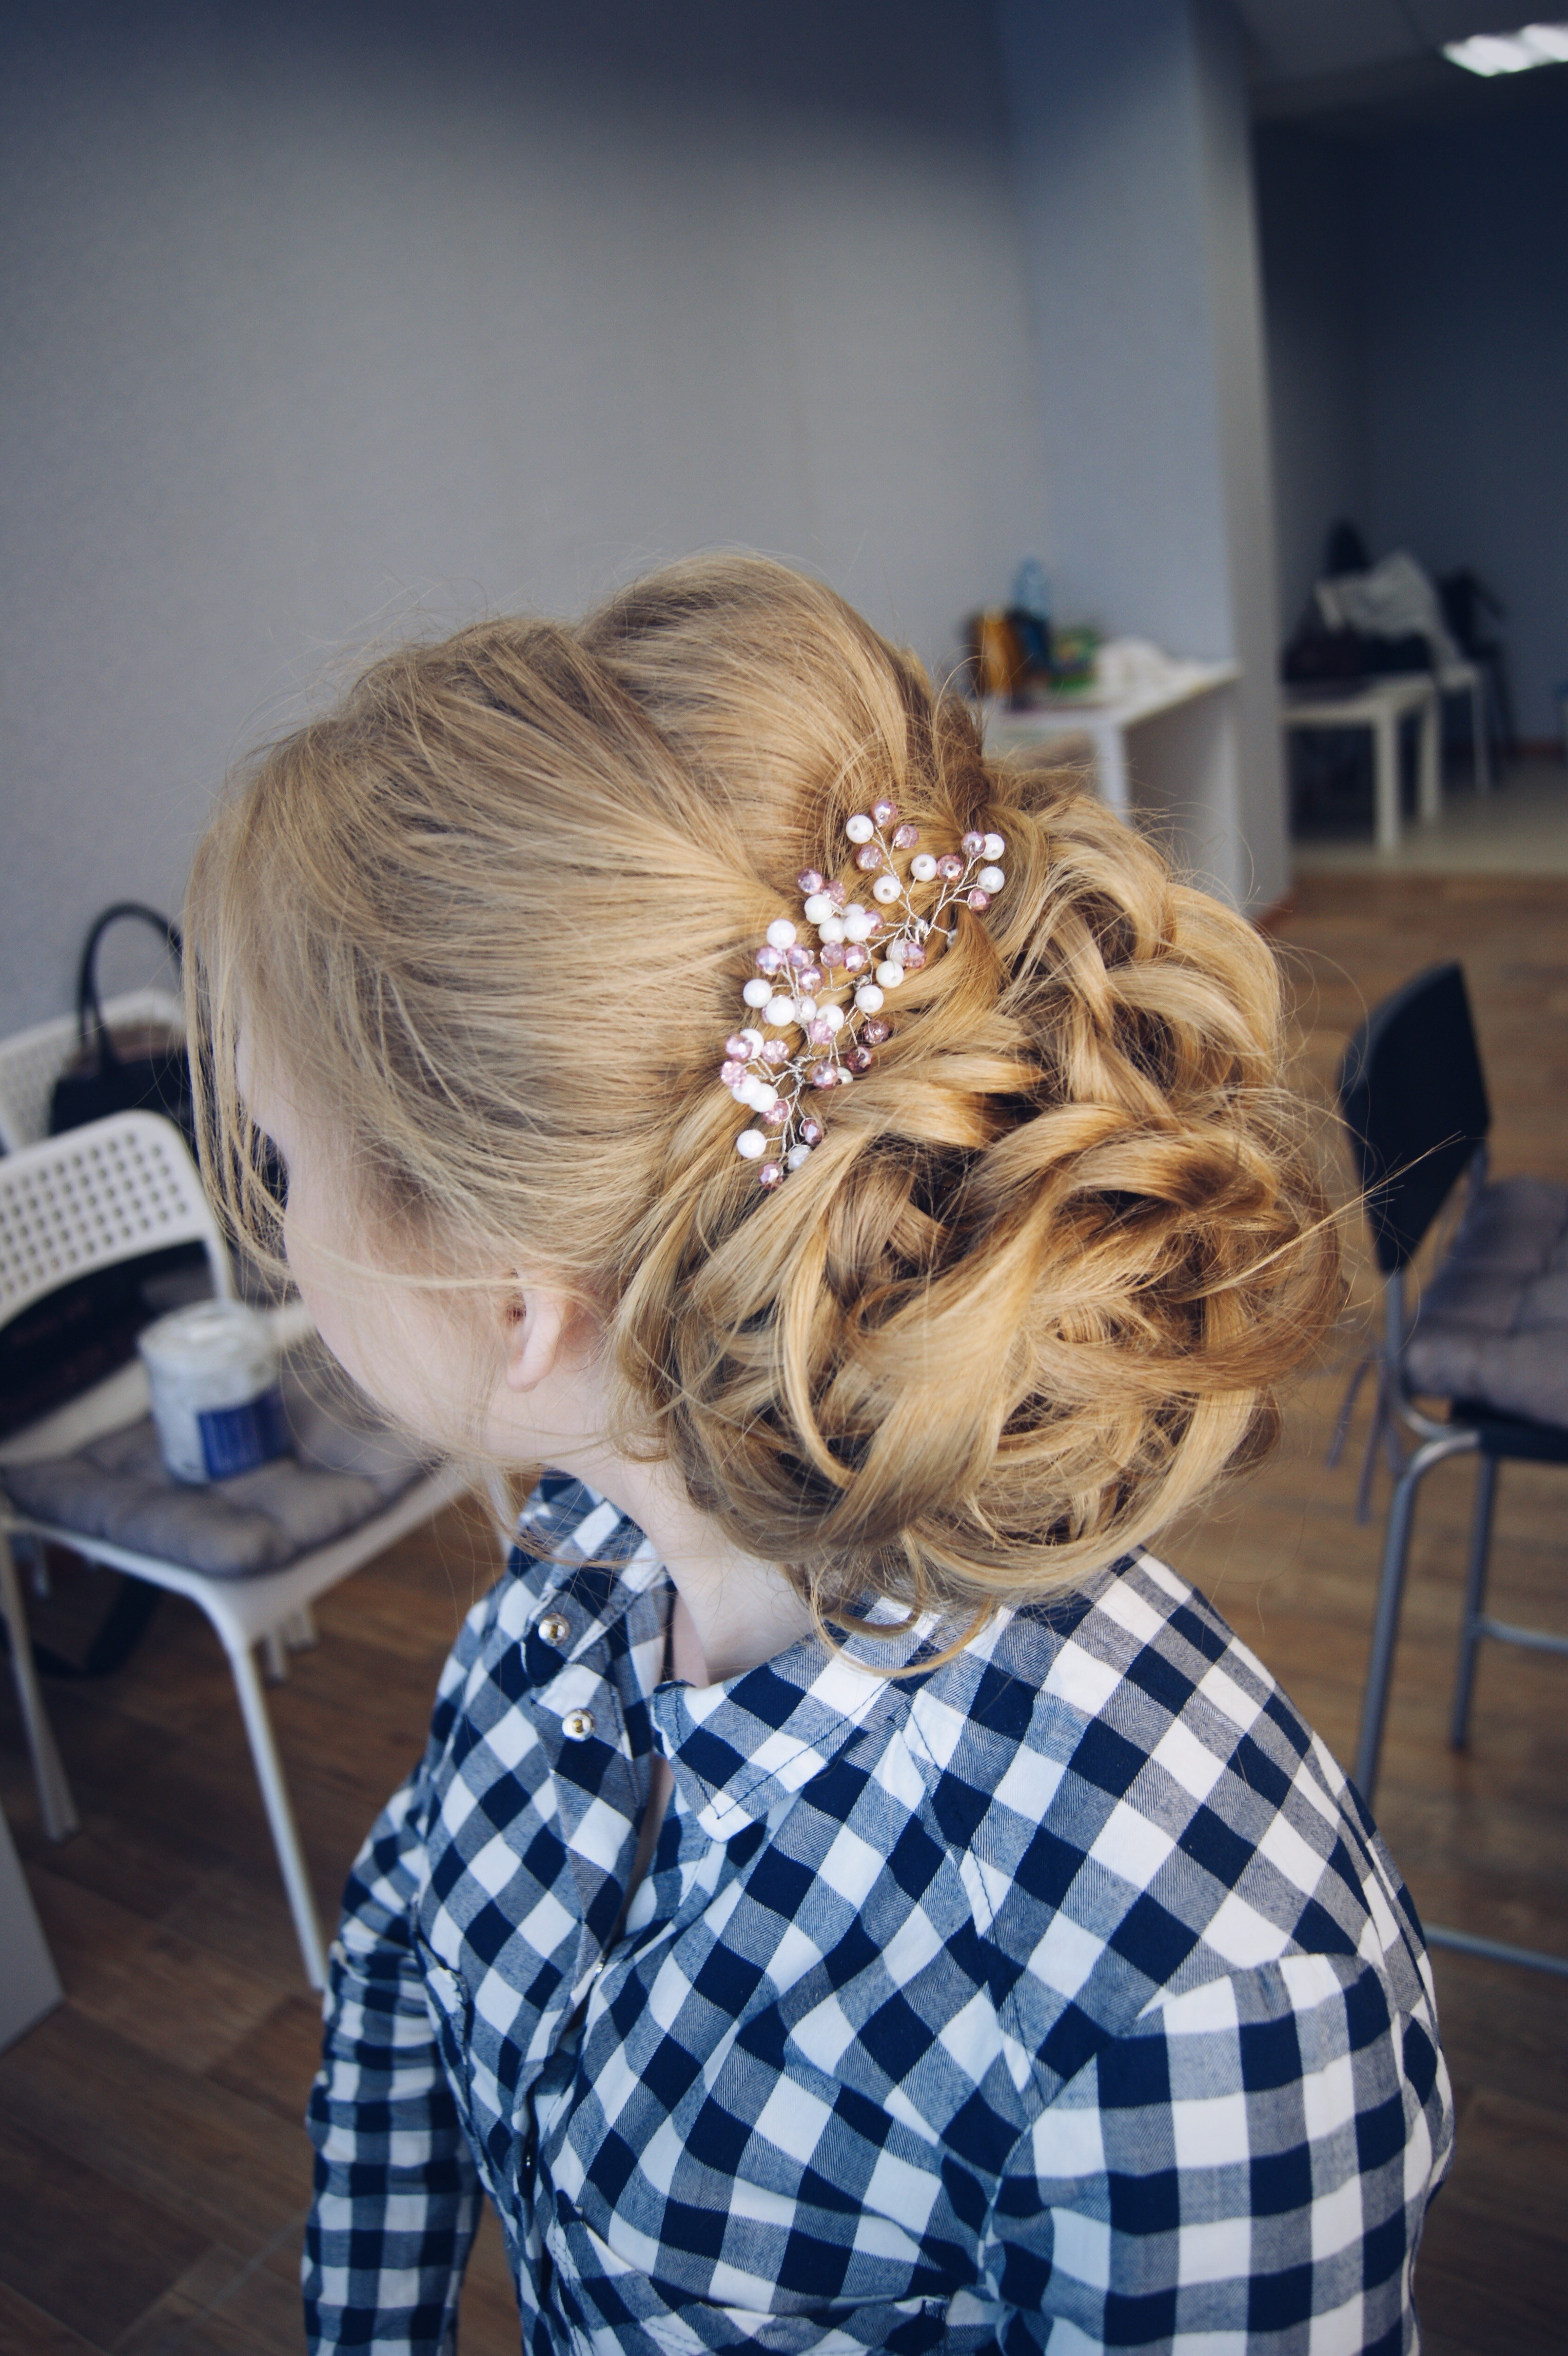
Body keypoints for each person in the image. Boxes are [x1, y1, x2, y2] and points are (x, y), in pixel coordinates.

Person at [185, 556, 1453, 2355]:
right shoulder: (564, 1595)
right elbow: (407, 1941)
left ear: (516, 1299)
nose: (277, 1237)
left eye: (279, 1164)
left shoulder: (1194, 1984)